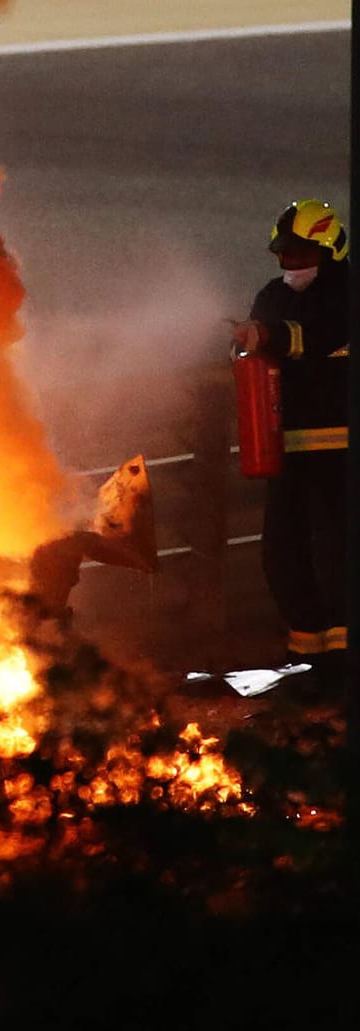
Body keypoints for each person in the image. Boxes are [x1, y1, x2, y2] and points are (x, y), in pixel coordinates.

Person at [230, 198, 351, 694]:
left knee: (339, 554)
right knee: (281, 555)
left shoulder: (345, 293)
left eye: (300, 255)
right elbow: (258, 350)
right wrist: (242, 342)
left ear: (329, 251)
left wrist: (267, 335)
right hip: (288, 449)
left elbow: (316, 336)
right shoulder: (272, 296)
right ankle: (305, 661)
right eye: (284, 255)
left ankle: (345, 667)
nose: (290, 265)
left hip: (341, 449)